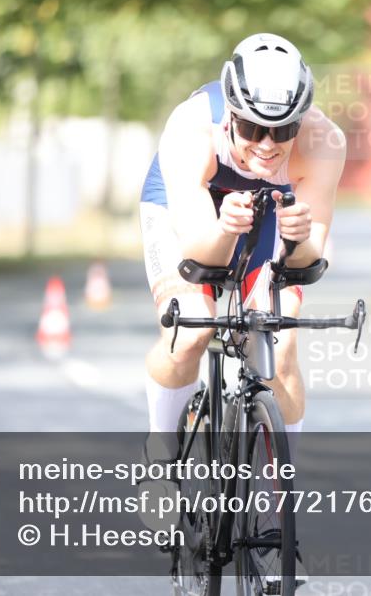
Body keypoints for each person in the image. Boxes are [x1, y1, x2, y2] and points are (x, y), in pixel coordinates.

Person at [138, 34, 344, 587]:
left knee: (280, 343)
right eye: (252, 128)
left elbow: (308, 261)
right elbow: (197, 257)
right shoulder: (191, 129)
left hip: (271, 210)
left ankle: (277, 520)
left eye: (283, 129)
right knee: (189, 331)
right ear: (230, 113)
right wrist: (225, 229)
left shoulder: (325, 141)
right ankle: (160, 460)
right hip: (192, 209)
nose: (268, 145)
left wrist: (298, 239)